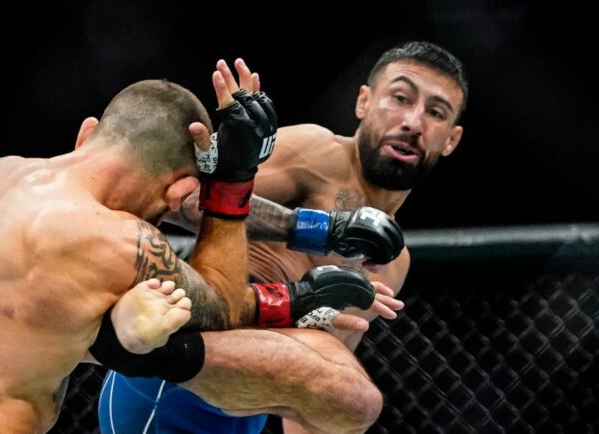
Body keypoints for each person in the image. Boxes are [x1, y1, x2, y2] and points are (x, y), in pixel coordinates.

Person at [0, 60, 286, 433]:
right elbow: (224, 309)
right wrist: (234, 178)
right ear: (179, 193)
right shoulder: (115, 239)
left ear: (87, 133)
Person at [99, 41, 468, 433]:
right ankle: (112, 345)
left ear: (451, 140)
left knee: (354, 400)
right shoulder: (318, 154)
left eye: (435, 112)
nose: (413, 122)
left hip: (244, 408)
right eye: (400, 97)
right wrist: (316, 229)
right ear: (363, 102)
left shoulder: (393, 263)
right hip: (178, 363)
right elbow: (182, 198)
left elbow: (311, 392)